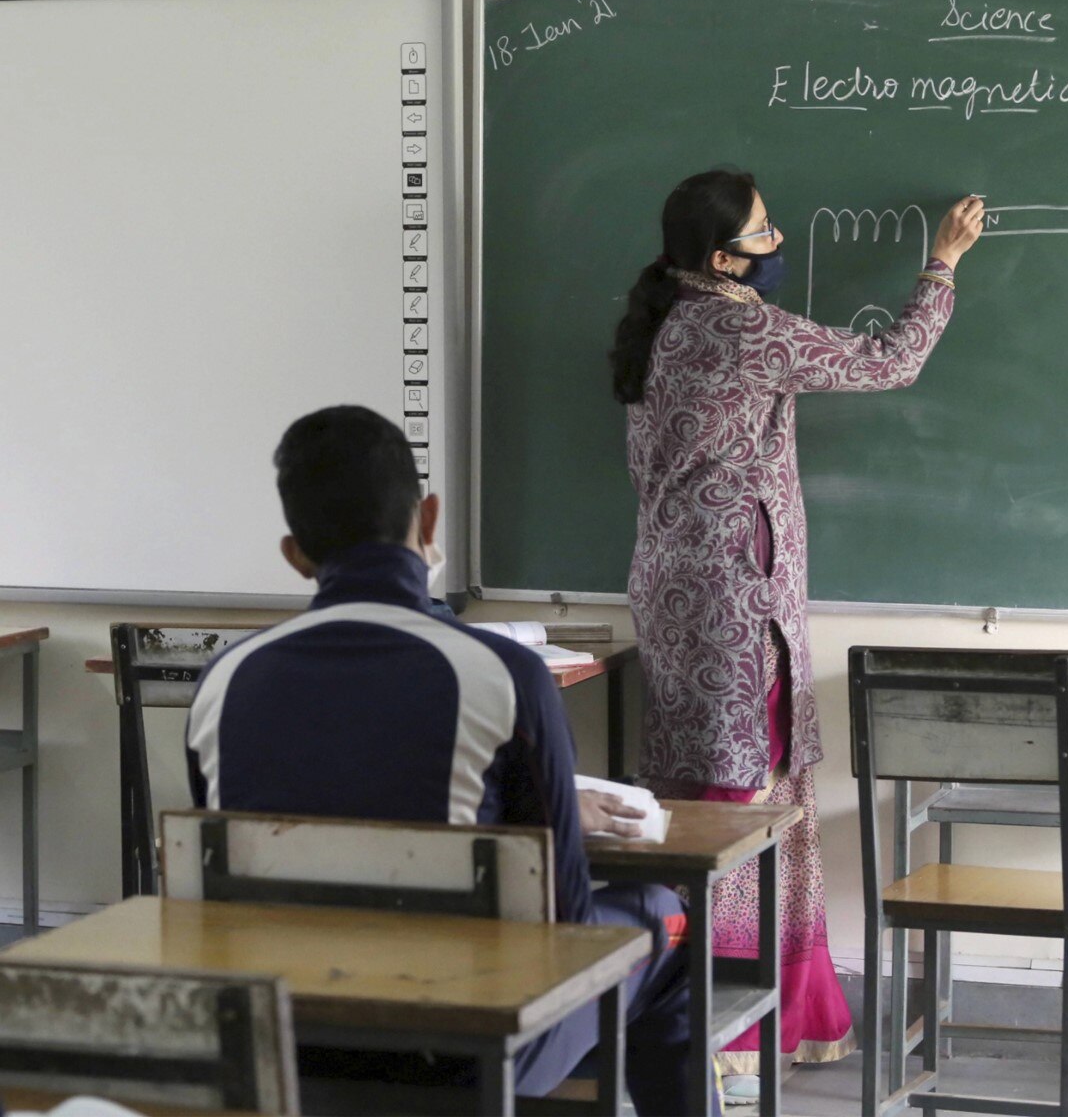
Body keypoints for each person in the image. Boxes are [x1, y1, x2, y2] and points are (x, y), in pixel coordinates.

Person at [185, 404, 714, 1116]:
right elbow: (565, 921)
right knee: (663, 917)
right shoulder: (503, 677)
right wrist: (551, 810)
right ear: (428, 521)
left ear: (296, 555)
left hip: (281, 1036)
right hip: (463, 1051)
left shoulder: (222, 682)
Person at [610, 170, 983, 1101]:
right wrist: (941, 265)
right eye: (767, 233)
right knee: (742, 805)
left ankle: (721, 1019)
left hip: (678, 591)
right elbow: (889, 360)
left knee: (705, 799)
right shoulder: (738, 326)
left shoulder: (663, 318)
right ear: (723, 256)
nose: (782, 244)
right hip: (738, 604)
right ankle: (725, 1037)